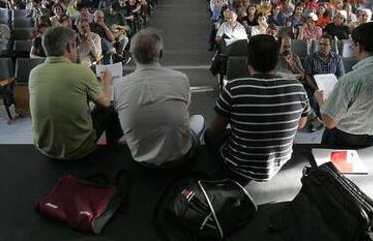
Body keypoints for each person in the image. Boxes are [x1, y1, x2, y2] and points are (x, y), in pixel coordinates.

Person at [205, 35, 309, 183]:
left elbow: (217, 129)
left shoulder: (234, 88)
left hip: (238, 166)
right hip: (280, 163)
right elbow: (300, 125)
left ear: (248, 60)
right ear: (276, 61)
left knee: (208, 135)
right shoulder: (297, 89)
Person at [114, 28, 205, 167]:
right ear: (161, 54)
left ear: (132, 55)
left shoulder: (119, 85)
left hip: (142, 161)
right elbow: (184, 108)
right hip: (180, 158)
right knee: (198, 119)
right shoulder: (181, 79)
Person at [29, 26, 123, 160]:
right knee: (111, 110)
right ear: (69, 47)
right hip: (77, 149)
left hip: (45, 148)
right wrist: (106, 81)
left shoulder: (34, 73)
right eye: (75, 47)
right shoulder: (82, 72)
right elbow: (106, 102)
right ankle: (111, 155)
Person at [304, 34, 345, 131]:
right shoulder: (311, 58)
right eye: (320, 44)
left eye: (325, 45)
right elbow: (307, 76)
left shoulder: (337, 58)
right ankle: (317, 120)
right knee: (314, 99)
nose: (322, 46)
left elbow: (341, 75)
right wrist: (315, 89)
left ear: (330, 46)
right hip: (315, 86)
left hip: (332, 87)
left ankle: (332, 120)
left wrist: (334, 87)